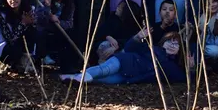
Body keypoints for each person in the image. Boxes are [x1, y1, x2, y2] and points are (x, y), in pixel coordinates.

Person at [60, 30, 192, 85]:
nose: (172, 45)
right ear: (163, 42)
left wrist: (192, 68)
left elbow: (183, 79)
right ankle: (77, 78)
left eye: (176, 43)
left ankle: (71, 78)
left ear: (180, 49)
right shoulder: (153, 49)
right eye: (169, 41)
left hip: (129, 77)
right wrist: (137, 37)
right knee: (103, 70)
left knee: (102, 80)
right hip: (124, 61)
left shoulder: (172, 66)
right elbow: (129, 48)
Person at [0, 0, 36, 71]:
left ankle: (26, 61)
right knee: (15, 48)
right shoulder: (1, 14)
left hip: (21, 44)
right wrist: (23, 23)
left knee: (32, 31)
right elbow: (10, 38)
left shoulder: (28, 10)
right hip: (4, 48)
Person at [34, 0, 77, 71]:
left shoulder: (69, 4)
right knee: (40, 34)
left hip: (61, 34)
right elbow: (39, 20)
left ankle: (66, 66)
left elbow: (69, 23)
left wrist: (58, 21)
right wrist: (47, 7)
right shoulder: (43, 2)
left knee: (72, 33)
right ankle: (40, 61)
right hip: (46, 35)